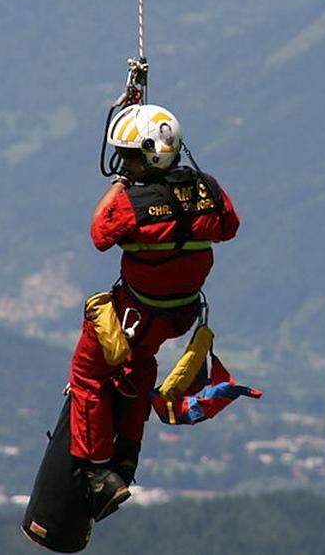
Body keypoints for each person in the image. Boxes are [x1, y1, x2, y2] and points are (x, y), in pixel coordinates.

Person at [67, 104, 240, 521]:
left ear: (149, 155)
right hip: (178, 314)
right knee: (139, 370)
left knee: (88, 375)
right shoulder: (209, 191)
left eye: (128, 156)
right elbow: (229, 227)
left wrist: (122, 183)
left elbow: (99, 233)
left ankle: (95, 473)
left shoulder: (133, 202)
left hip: (135, 313)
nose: (122, 164)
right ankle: (126, 461)